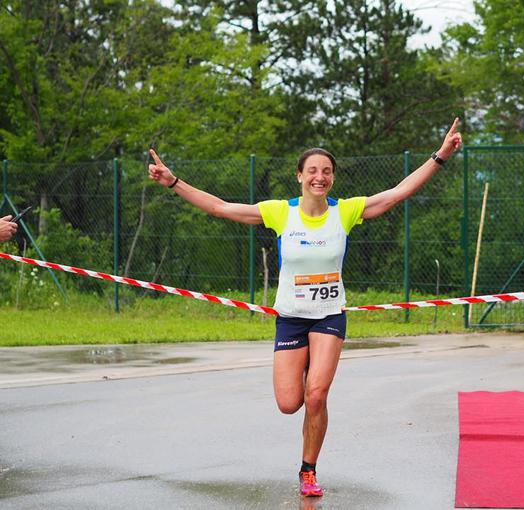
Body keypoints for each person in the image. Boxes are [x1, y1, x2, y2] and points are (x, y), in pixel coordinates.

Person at [148, 117, 463, 498]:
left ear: (333, 178)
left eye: (327, 171)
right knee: (289, 403)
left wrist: (440, 156)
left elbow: (396, 193)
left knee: (316, 395)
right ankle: (308, 366)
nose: (320, 176)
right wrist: (174, 182)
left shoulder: (344, 212)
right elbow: (220, 207)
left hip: (330, 317)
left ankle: (308, 470)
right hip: (292, 320)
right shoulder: (282, 212)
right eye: (312, 170)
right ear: (299, 176)